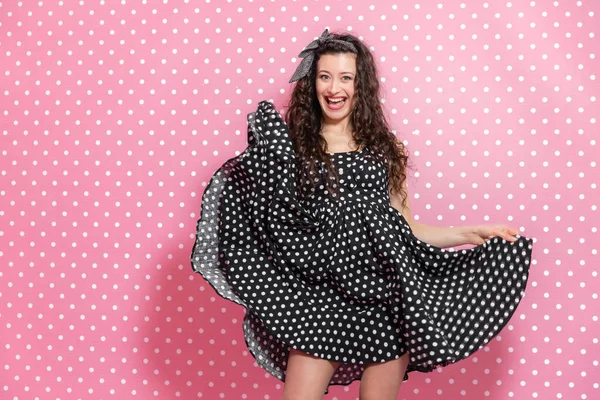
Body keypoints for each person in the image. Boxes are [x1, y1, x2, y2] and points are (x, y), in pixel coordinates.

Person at [191, 29, 533, 400]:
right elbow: (272, 220)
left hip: (384, 298)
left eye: (345, 77)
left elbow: (405, 229)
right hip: (319, 299)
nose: (334, 88)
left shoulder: (387, 150)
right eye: (324, 76)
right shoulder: (290, 150)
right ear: (312, 82)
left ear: (361, 84)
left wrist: (471, 233)